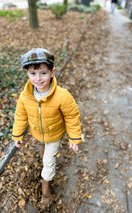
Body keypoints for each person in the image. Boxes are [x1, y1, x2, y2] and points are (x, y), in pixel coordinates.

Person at [12, 48, 81, 209]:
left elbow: (72, 116)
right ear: (27, 74)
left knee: (48, 162)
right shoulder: (25, 96)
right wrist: (17, 135)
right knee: (43, 150)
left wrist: (74, 137)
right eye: (33, 74)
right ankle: (43, 150)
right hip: (38, 133)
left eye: (43, 73)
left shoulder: (62, 96)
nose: (38, 78)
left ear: (52, 72)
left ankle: (46, 190)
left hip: (54, 134)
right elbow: (20, 116)